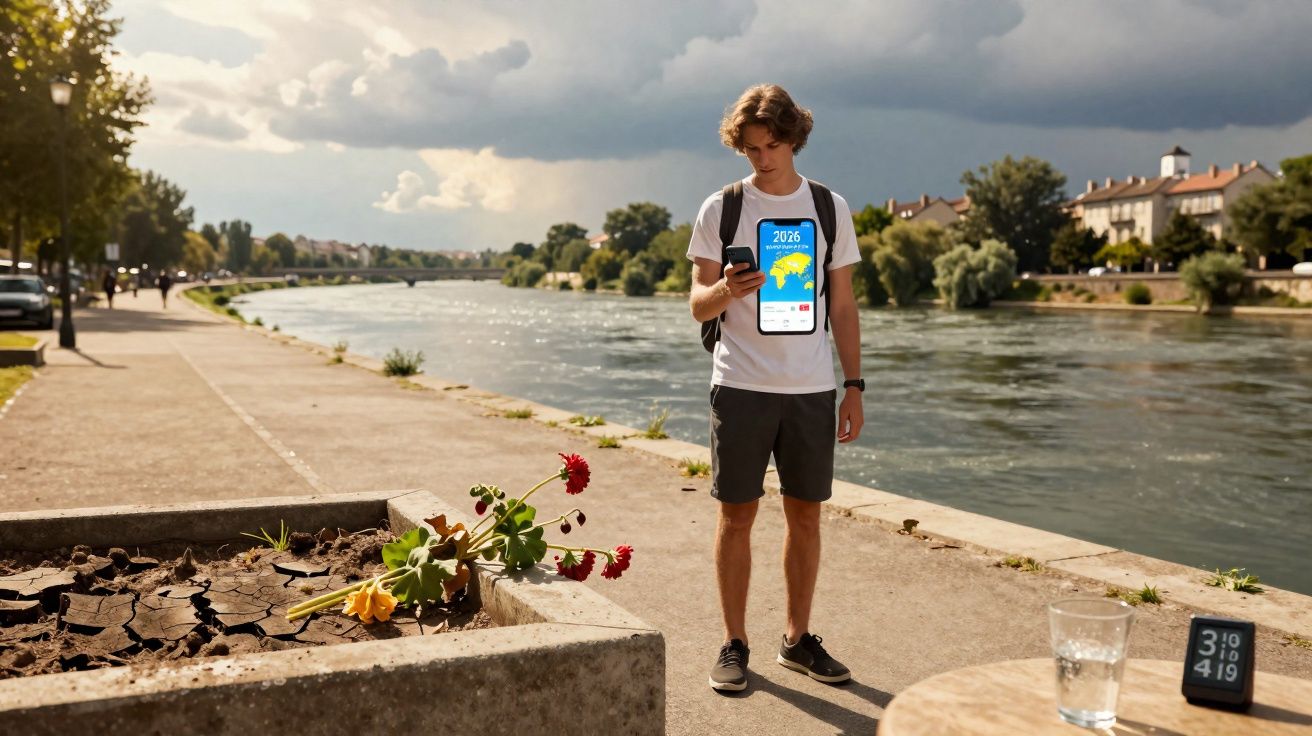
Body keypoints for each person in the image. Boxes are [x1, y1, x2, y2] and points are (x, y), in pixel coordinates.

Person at [687, 84, 865, 693]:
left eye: (772, 146)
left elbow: (842, 305)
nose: (762, 159)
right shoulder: (723, 208)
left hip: (812, 387)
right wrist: (726, 292)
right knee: (736, 517)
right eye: (752, 149)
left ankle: (797, 640)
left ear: (794, 139)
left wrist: (855, 386)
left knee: (806, 517)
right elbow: (695, 303)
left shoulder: (828, 207)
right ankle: (734, 643)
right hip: (739, 385)